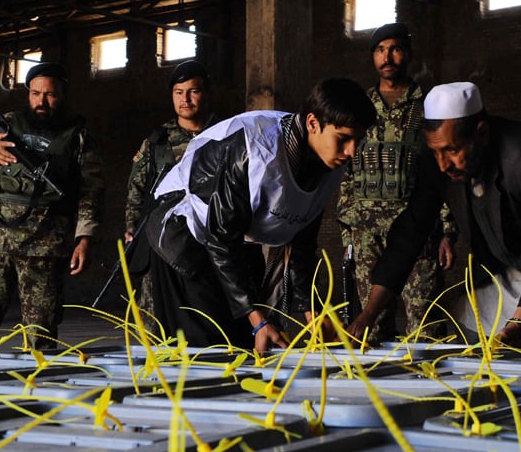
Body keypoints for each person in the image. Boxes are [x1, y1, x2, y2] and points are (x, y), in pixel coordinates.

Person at [345, 82, 521, 349]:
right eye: (436, 152)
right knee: (466, 320)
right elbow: (410, 234)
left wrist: (517, 324)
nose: (444, 163)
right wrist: (367, 316)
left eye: (453, 150)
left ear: (481, 133)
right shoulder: (437, 163)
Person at [144, 77, 377, 352]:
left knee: (249, 345)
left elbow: (301, 244)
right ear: (313, 123)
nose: (351, 151)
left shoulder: (330, 163)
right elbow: (221, 237)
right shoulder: (255, 148)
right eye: (343, 139)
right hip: (185, 235)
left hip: (233, 241)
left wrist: (313, 313)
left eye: (357, 141)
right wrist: (256, 319)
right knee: (211, 348)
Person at [0, 62, 105, 351]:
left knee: (41, 330)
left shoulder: (77, 136)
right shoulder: (7, 122)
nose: (41, 101)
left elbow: (91, 191)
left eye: (50, 94)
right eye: (36, 93)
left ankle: (37, 389)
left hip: (45, 240)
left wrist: (84, 239)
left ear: (62, 94)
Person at [338, 22, 456, 340]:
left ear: (408, 54)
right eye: (379, 50)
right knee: (370, 327)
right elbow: (346, 171)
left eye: (395, 48)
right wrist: (347, 231)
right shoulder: (359, 107)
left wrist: (447, 231)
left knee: (426, 325)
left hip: (416, 225)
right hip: (366, 231)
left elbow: (441, 170)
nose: (387, 56)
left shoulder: (429, 105)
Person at [123, 60, 218, 322]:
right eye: (178, 93)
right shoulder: (157, 142)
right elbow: (136, 188)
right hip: (162, 238)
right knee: (154, 316)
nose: (185, 99)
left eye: (193, 91)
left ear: (206, 94)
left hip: (209, 240)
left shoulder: (224, 135)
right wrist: (131, 227)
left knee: (207, 314)